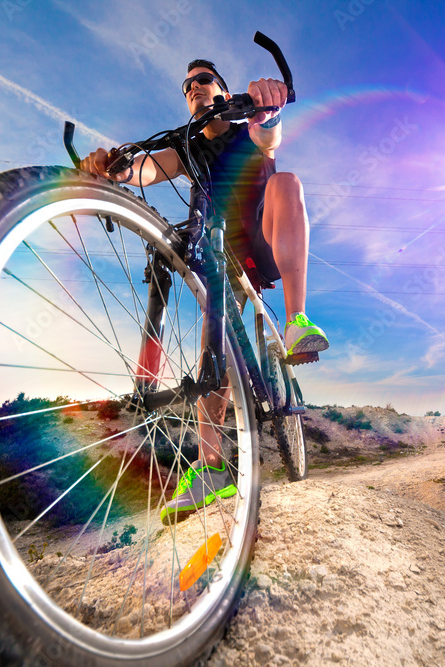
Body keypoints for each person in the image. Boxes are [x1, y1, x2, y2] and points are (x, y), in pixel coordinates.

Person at [80, 59, 328, 523]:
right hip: (217, 249)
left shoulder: (242, 121)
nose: (194, 87)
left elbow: (267, 137)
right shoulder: (185, 142)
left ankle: (296, 323)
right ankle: (212, 468)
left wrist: (266, 110)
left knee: (286, 183)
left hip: (265, 235)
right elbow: (149, 171)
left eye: (203, 80)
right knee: (211, 359)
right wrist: (116, 169)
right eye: (187, 85)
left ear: (222, 88)